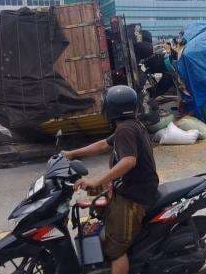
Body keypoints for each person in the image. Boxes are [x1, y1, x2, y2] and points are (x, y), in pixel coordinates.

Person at [62, 85, 159, 274]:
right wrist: (72, 154)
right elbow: (102, 145)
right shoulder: (130, 125)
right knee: (95, 205)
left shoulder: (126, 130)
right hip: (129, 187)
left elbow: (129, 161)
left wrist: (96, 181)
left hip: (134, 196)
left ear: (112, 108)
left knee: (115, 250)